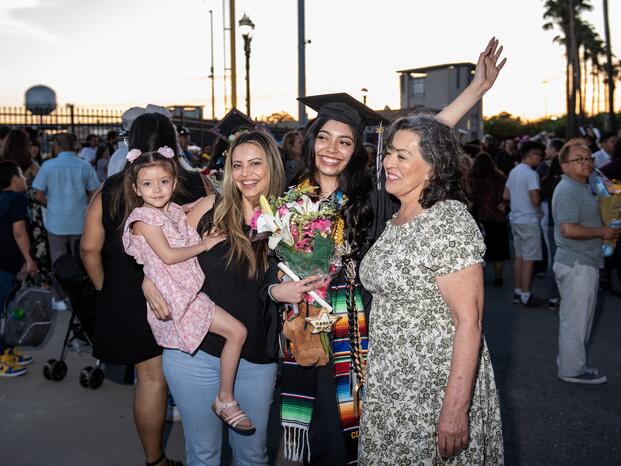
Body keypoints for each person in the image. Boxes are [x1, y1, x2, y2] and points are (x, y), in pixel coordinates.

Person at [269, 37, 506, 466]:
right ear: (310, 141)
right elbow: (267, 262)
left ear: (357, 149)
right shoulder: (288, 199)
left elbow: (422, 149)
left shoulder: (372, 196)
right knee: (315, 437)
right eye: (324, 137)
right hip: (306, 330)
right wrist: (276, 290)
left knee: (353, 440)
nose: (332, 149)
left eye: (344, 141)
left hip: (361, 339)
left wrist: (474, 90)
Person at [358, 115, 503, 464]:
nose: (388, 162)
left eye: (402, 156)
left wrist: (455, 409)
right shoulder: (396, 218)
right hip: (390, 381)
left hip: (433, 385)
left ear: (434, 168)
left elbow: (469, 321)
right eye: (389, 152)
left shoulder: (448, 221)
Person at [143, 130, 287, 465]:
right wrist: (147, 282)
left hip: (255, 357)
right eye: (237, 165)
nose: (245, 173)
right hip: (195, 351)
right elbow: (168, 254)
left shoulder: (290, 217)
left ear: (272, 166)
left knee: (252, 454)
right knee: (203, 453)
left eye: (255, 163)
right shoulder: (211, 206)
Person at [81, 112, 212, 466]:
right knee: (199, 371)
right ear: (174, 139)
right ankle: (208, 452)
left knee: (150, 379)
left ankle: (155, 460)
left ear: (130, 142)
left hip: (129, 297)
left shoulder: (110, 189)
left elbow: (89, 248)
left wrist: (103, 288)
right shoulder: (197, 183)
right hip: (188, 293)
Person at [121, 147, 253, 432]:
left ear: (174, 182)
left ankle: (224, 396)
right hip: (178, 296)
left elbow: (183, 211)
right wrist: (204, 244)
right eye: (147, 184)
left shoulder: (167, 210)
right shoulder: (143, 219)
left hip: (187, 291)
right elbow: (168, 255)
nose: (157, 189)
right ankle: (225, 399)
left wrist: (192, 206)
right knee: (238, 332)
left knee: (237, 332)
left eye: (164, 182)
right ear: (135, 188)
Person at [552, 141, 620, 384]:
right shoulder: (569, 190)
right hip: (577, 264)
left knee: (573, 318)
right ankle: (572, 370)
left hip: (579, 262)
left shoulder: (581, 186)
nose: (586, 163)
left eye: (589, 158)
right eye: (579, 159)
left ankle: (569, 361)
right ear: (564, 165)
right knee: (577, 322)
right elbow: (569, 229)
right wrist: (603, 231)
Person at [33, 133, 100, 265]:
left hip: (55, 222)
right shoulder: (85, 165)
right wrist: (84, 203)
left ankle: (60, 285)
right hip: (79, 222)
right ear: (73, 145)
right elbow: (95, 191)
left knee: (58, 262)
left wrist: (51, 204)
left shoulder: (47, 166)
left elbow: (38, 195)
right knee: (80, 261)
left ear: (57, 146)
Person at [0, 160, 37, 377]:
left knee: (10, 309)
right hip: (5, 265)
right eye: (22, 175)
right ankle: (3, 356)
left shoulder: (4, 198)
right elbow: (19, 231)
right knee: (6, 309)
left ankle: (9, 349)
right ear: (14, 179)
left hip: (7, 264)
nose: (24, 179)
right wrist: (29, 259)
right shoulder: (17, 198)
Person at [503, 140, 546, 307]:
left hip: (515, 219)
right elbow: (535, 199)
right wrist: (538, 202)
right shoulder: (531, 174)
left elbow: (506, 195)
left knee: (519, 258)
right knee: (529, 259)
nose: (540, 159)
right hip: (529, 220)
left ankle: (518, 291)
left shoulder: (514, 171)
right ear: (532, 155)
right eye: (539, 155)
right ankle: (526, 295)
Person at [468, 152, 510, 286]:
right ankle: (498, 277)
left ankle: (478, 279)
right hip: (498, 218)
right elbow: (506, 197)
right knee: (499, 251)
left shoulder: (471, 178)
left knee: (477, 252)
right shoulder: (500, 177)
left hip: (478, 219)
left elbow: (470, 198)